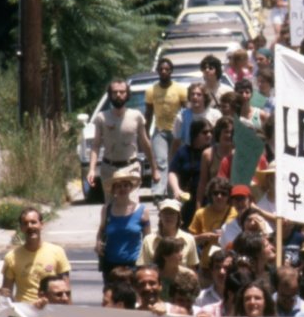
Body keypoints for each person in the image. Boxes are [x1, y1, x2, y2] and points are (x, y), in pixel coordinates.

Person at [87, 78, 160, 203]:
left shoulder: (136, 116)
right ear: (110, 95)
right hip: (109, 169)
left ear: (127, 95)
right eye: (115, 92)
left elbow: (145, 142)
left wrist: (154, 169)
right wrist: (92, 169)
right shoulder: (102, 118)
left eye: (122, 92)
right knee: (111, 210)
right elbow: (96, 145)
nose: (118, 95)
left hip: (131, 168)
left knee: (131, 208)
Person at [2, 207, 71, 303]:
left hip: (50, 310)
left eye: (33, 222)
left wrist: (69, 315)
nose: (30, 226)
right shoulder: (11, 257)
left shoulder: (57, 252)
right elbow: (6, 293)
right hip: (24, 312)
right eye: (25, 223)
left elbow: (66, 291)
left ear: (41, 225)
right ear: (21, 228)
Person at [144, 57, 187, 197]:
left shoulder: (180, 89)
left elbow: (186, 112)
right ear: (157, 71)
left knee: (174, 162)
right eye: (161, 69)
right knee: (161, 161)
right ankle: (158, 193)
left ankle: (172, 192)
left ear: (171, 71)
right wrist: (145, 133)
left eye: (167, 69)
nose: (164, 72)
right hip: (160, 131)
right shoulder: (151, 90)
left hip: (176, 132)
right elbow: (149, 113)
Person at [97, 166, 150, 276]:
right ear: (113, 189)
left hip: (134, 264)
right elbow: (102, 230)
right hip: (110, 264)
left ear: (130, 188)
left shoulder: (142, 210)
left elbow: (148, 239)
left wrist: (146, 263)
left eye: (126, 185)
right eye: (118, 186)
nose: (122, 189)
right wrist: (98, 243)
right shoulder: (106, 209)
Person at [169, 118, 211, 228]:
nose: (209, 135)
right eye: (205, 132)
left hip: (208, 199)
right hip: (187, 199)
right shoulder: (183, 151)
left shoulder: (212, 152)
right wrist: (176, 189)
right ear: (196, 134)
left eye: (211, 132)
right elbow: (173, 172)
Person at [140, 199, 199, 271]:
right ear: (160, 216)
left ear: (178, 216)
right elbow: (144, 267)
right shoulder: (148, 240)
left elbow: (192, 268)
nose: (168, 216)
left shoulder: (189, 239)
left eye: (172, 213)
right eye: (165, 213)